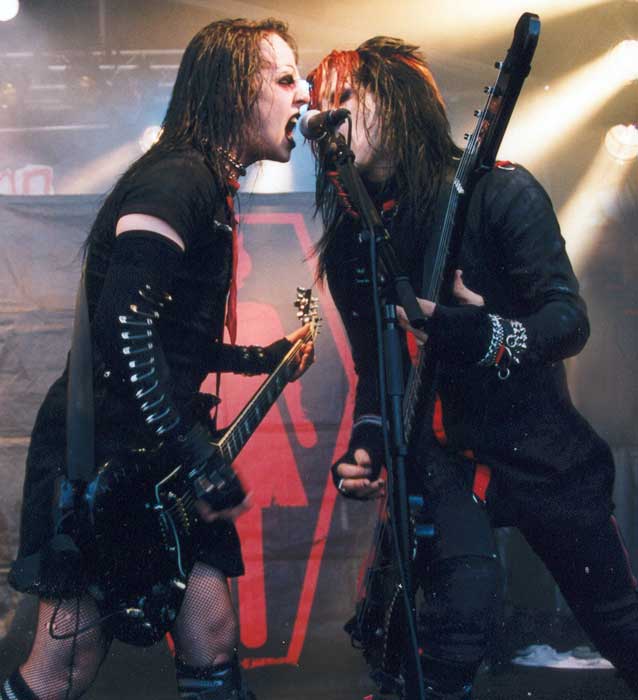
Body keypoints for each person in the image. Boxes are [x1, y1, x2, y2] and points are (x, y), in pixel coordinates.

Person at [307, 37, 638, 699]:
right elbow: (376, 368)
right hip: (446, 456)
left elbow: (567, 322)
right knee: (458, 615)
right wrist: (367, 443)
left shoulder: (499, 191)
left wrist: (481, 329)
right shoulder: (352, 239)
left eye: (344, 97)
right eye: (319, 104)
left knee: (617, 620)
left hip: (538, 442)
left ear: (396, 102)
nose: (326, 117)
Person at [2, 17, 311, 700]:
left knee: (212, 637)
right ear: (235, 88)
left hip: (154, 459)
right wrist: (197, 454)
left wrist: (259, 358)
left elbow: (172, 342)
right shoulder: (177, 178)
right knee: (64, 665)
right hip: (105, 462)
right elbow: (124, 326)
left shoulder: (205, 183)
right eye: (286, 78)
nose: (305, 95)